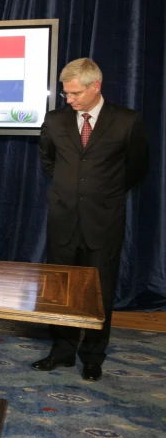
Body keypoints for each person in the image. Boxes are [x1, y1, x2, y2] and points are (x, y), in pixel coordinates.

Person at [33, 58, 149, 381]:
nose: (68, 99)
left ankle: (93, 355)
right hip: (63, 220)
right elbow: (48, 160)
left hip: (104, 221)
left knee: (101, 289)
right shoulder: (55, 121)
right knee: (62, 290)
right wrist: (67, 189)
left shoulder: (127, 121)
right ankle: (62, 350)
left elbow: (137, 167)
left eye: (74, 93)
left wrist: (105, 193)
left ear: (95, 86)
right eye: (65, 93)